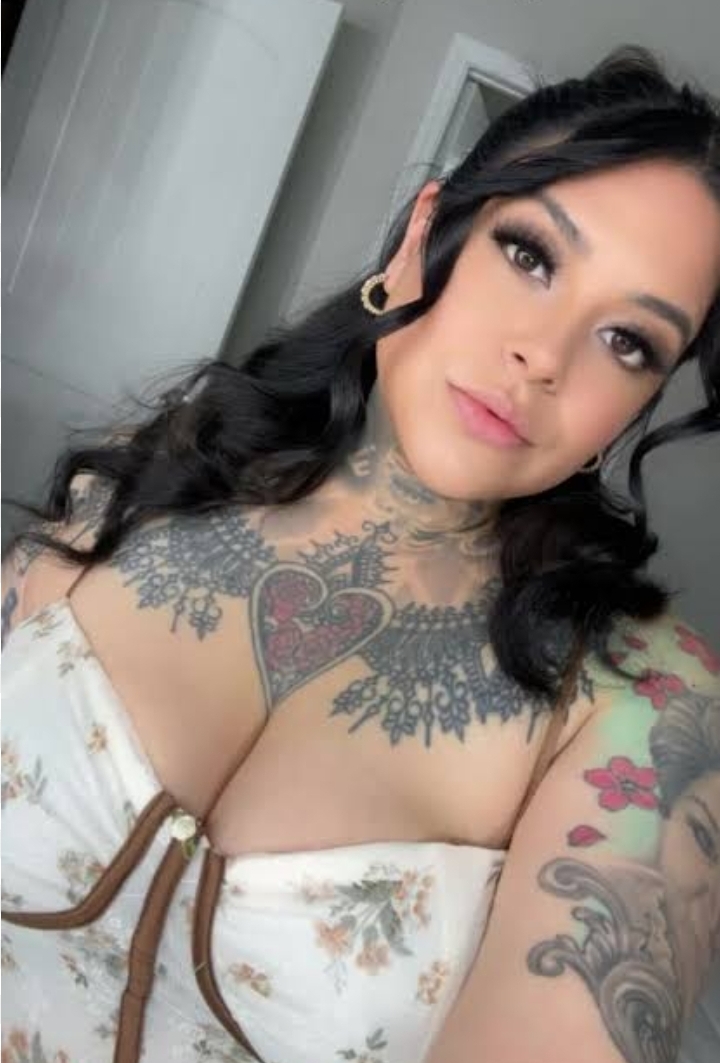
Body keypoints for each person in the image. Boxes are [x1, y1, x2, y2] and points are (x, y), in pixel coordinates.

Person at [1, 41, 719, 1063]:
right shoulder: (161, 469)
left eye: (628, 342)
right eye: (530, 255)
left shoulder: (644, 703)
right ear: (427, 234)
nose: (543, 356)